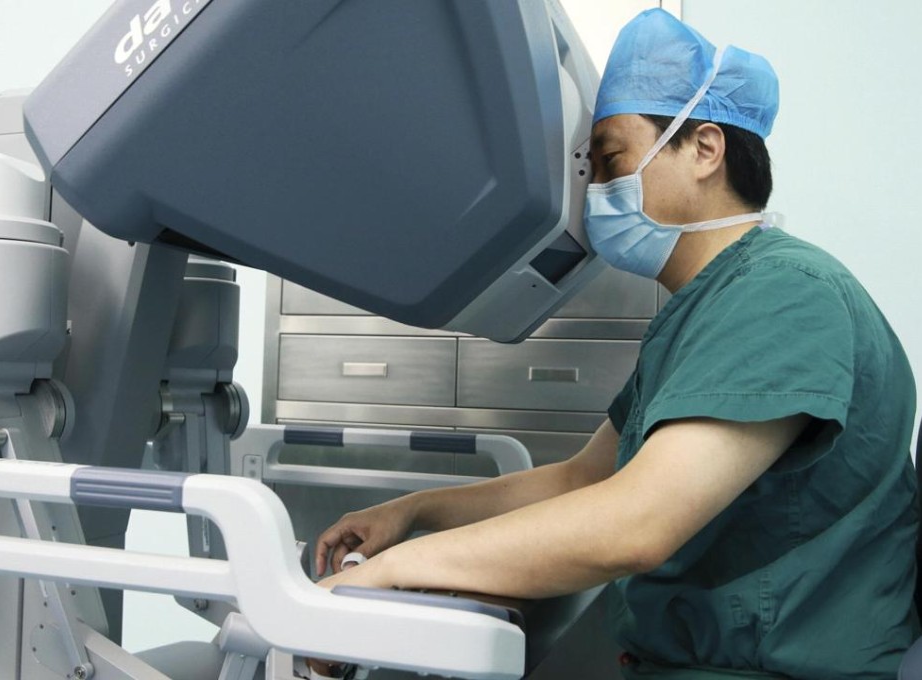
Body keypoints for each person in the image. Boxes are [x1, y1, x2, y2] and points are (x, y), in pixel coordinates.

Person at [314, 9, 918, 679]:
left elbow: (638, 523)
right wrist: (413, 512)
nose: (596, 190)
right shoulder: (706, 308)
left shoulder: (784, 295)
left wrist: (392, 574)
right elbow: (582, 480)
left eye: (611, 160)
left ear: (705, 149)